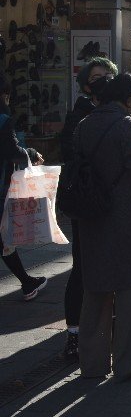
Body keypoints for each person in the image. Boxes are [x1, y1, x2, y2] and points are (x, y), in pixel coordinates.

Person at [75, 74, 131, 381]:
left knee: (96, 291)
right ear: (128, 99)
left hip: (93, 217)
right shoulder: (127, 124)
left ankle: (93, 364)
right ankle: (130, 360)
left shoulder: (86, 124)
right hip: (126, 217)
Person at [58, 56, 118, 360]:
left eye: (107, 76)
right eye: (96, 77)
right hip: (87, 201)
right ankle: (74, 334)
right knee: (81, 268)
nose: (102, 82)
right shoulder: (79, 114)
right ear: (85, 83)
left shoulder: (120, 113)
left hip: (115, 203)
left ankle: (109, 328)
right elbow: (67, 151)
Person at [0, 75, 46, 302]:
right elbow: (13, 151)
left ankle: (27, 282)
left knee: (3, 241)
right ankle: (27, 283)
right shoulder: (3, 120)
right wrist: (31, 153)